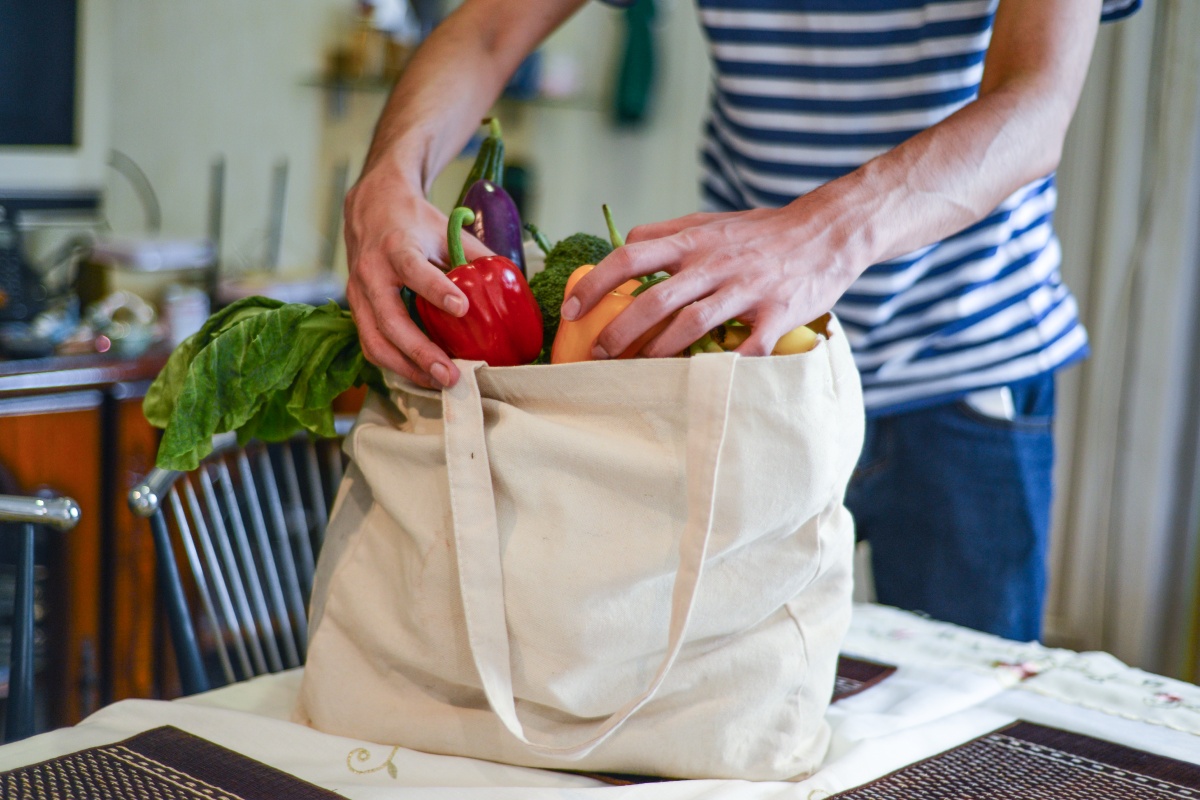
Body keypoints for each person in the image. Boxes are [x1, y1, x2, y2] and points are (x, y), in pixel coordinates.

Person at [342, 0, 1141, 642]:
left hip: (964, 369)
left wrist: (820, 235)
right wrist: (388, 173)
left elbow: (1034, 100)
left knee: (967, 732)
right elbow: (487, 27)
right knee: (712, 713)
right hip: (739, 370)